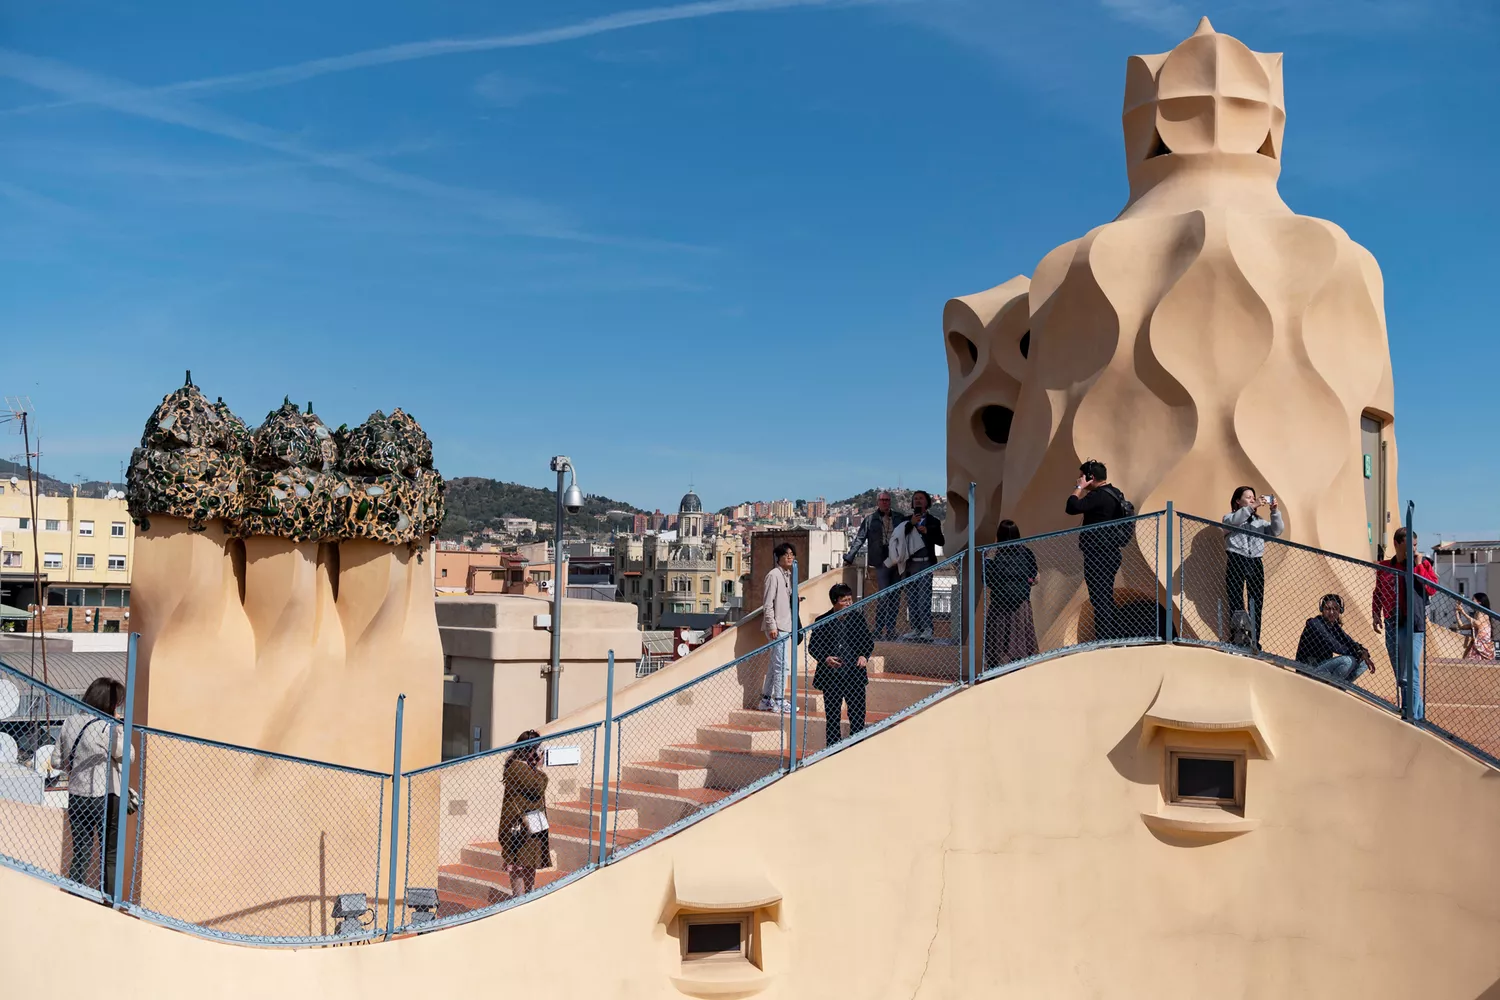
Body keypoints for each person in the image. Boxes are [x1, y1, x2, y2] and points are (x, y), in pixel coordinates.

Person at [51, 677, 129, 895]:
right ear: (110, 704)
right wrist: (118, 727)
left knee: (82, 853)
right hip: (104, 796)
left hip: (76, 796)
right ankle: (110, 900)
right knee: (110, 854)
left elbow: (56, 761)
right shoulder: (107, 728)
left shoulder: (69, 722)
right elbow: (128, 755)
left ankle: (75, 896)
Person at [1372, 526, 1438, 718]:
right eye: (1410, 545)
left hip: (1413, 623)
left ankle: (1412, 716)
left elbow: (1432, 589)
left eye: (1416, 545)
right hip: (1392, 622)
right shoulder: (1385, 567)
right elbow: (1378, 592)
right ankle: (1414, 712)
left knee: (1412, 671)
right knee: (1400, 673)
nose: (1414, 549)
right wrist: (1376, 613)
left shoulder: (1422, 563)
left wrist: (1418, 565)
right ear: (1397, 544)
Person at [1064, 460, 1130, 641]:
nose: (1078, 479)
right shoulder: (1116, 493)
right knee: (1105, 596)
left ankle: (1105, 639)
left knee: (1099, 598)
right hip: (1111, 553)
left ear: (1090, 477)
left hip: (1098, 554)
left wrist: (1079, 487)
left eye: (1081, 476)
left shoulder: (1099, 496)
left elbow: (1071, 507)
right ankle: (1114, 636)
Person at [808, 583, 875, 749]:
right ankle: (832, 751)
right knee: (832, 717)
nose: (849, 603)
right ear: (834, 601)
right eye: (844, 600)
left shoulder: (857, 618)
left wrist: (863, 656)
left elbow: (868, 642)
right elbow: (813, 646)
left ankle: (856, 749)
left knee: (858, 716)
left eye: (850, 600)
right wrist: (825, 658)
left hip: (854, 675)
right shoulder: (822, 621)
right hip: (832, 677)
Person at [1221, 487, 1284, 649]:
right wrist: (1252, 506)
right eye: (1248, 497)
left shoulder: (1259, 522)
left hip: (1255, 561)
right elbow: (1233, 522)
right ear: (1238, 501)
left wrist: (1275, 511)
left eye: (1253, 497)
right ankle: (1238, 637)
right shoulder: (1230, 518)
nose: (1252, 499)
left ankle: (1254, 638)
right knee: (1236, 598)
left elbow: (1276, 531)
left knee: (1256, 601)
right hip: (1236, 558)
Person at [844, 492, 907, 640]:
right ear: (878, 502)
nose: (885, 502)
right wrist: (850, 556)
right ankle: (879, 629)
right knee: (883, 596)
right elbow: (859, 539)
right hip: (880, 561)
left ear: (890, 502)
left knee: (895, 596)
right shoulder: (870, 519)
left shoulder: (899, 518)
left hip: (897, 560)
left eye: (887, 500)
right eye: (883, 500)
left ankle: (890, 630)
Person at [498, 730, 550, 897]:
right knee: (519, 868)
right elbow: (537, 788)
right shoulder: (518, 768)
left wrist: (535, 766)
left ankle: (527, 900)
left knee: (529, 866)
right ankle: (519, 904)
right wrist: (539, 769)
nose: (540, 753)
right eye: (538, 748)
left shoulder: (526, 768)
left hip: (530, 827)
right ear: (530, 750)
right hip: (519, 828)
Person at [886, 490, 944, 641]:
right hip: (909, 565)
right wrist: (910, 524)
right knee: (911, 598)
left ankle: (927, 628)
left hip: (925, 563)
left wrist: (927, 531)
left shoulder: (934, 521)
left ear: (927, 502)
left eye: (921, 498)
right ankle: (916, 628)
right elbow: (898, 537)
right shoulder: (905, 521)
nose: (918, 501)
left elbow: (941, 541)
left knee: (924, 597)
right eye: (915, 499)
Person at [984, 520, 1039, 668]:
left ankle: (998, 666)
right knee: (1020, 636)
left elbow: (988, 579)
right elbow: (1033, 575)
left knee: (999, 638)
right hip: (1021, 604)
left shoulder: (994, 554)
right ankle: (1021, 664)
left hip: (1000, 605)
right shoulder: (1026, 553)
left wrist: (986, 559)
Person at [1296, 594, 1376, 683]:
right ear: (1322, 609)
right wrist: (1357, 653)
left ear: (1340, 611)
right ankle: (1331, 687)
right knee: (1348, 661)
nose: (1331, 612)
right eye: (1327, 609)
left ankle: (1339, 687)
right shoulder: (1314, 624)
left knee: (1364, 663)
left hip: (1322, 669)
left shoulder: (1334, 627)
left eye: (1335, 609)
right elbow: (1334, 645)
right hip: (1308, 670)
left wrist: (1362, 651)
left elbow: (1349, 642)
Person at [758, 542, 797, 713]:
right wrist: (771, 625)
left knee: (775, 665)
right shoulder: (773, 575)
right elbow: (767, 604)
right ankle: (779, 700)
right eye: (786, 554)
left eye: (792, 554)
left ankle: (766, 699)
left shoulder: (786, 575)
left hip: (784, 625)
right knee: (782, 665)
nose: (790, 557)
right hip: (777, 627)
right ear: (778, 558)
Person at [1457, 593, 1495, 661]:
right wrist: (1457, 611)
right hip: (1478, 645)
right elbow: (1461, 626)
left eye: (1473, 600)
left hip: (1482, 646)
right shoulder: (1477, 614)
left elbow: (1477, 624)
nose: (1471, 602)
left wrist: (1463, 612)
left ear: (1479, 602)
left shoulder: (1482, 612)